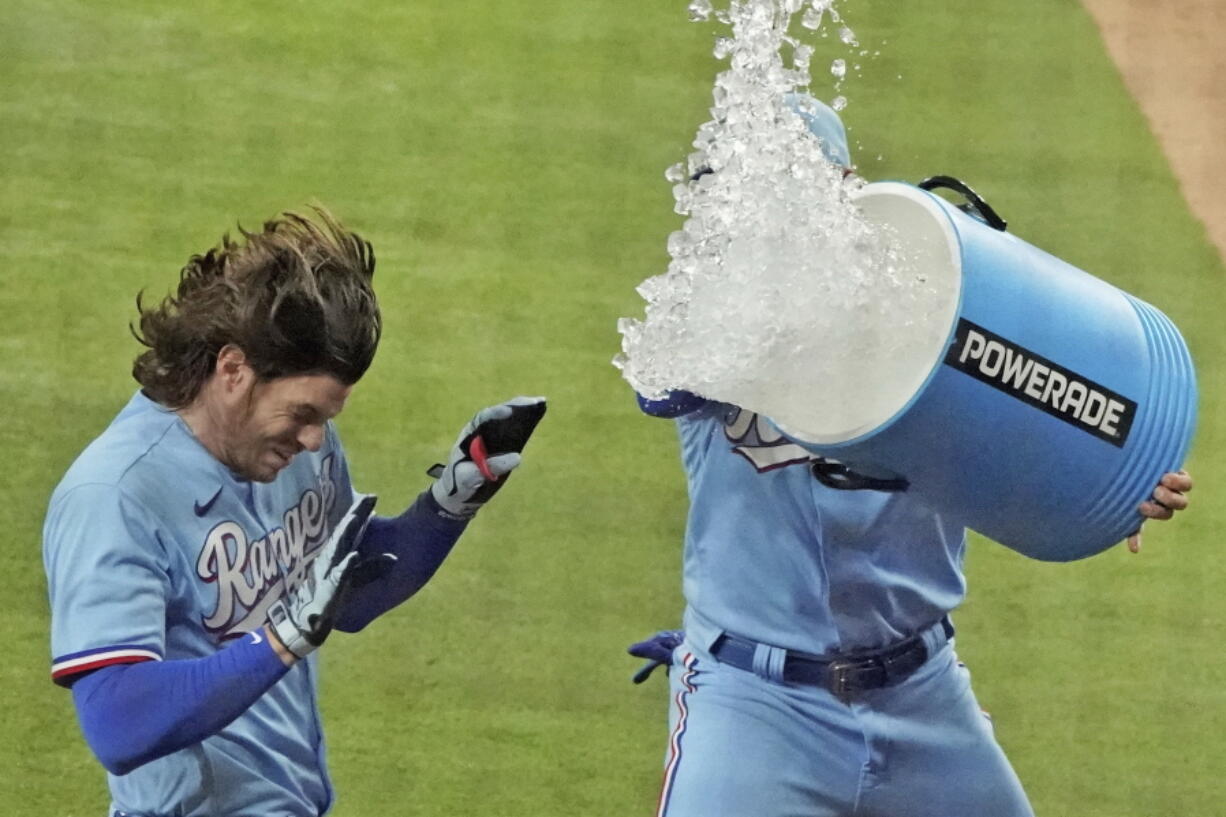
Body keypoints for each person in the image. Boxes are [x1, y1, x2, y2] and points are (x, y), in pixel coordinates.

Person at [626, 97, 1193, 817]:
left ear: (845, 184)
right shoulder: (709, 317)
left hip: (924, 698)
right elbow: (665, 382)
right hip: (755, 707)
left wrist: (1114, 482)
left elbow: (1056, 404)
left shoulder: (949, 291)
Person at [42, 208, 545, 817]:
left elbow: (343, 598)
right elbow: (118, 722)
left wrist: (446, 508)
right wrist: (281, 639)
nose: (314, 440)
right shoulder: (115, 494)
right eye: (303, 414)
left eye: (325, 420)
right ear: (233, 369)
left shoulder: (290, 452)